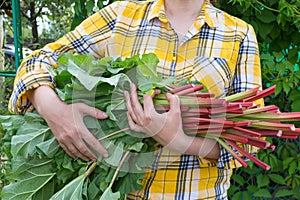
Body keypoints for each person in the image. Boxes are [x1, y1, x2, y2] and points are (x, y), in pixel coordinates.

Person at [9, 0, 262, 199]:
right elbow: (38, 60)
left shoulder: (238, 34)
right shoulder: (121, 16)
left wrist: (179, 140)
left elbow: (248, 143)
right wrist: (54, 110)